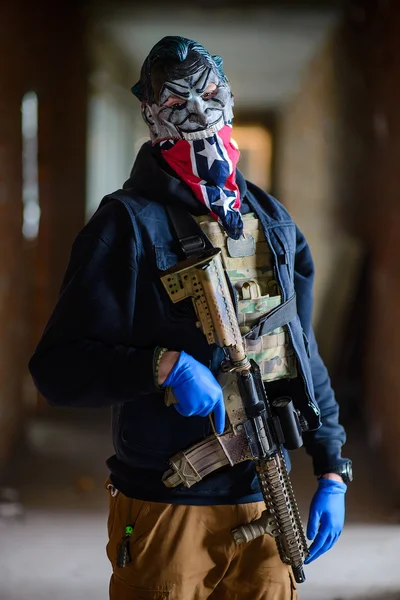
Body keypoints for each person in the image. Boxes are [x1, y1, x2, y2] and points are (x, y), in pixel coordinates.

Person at [29, 36, 352, 600]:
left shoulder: (268, 222)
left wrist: (331, 468)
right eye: (178, 105)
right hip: (164, 507)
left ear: (230, 98)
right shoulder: (124, 226)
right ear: (152, 116)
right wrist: (162, 366)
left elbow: (300, 350)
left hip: (264, 495)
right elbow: (57, 368)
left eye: (210, 95)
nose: (200, 114)